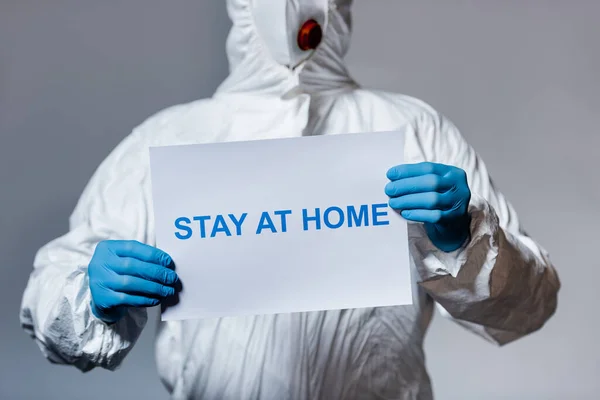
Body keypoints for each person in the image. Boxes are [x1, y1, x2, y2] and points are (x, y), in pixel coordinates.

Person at [20, 0, 560, 399]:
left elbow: (527, 308)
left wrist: (463, 239)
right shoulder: (172, 140)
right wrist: (90, 293)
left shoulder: (411, 129)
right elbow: (54, 312)